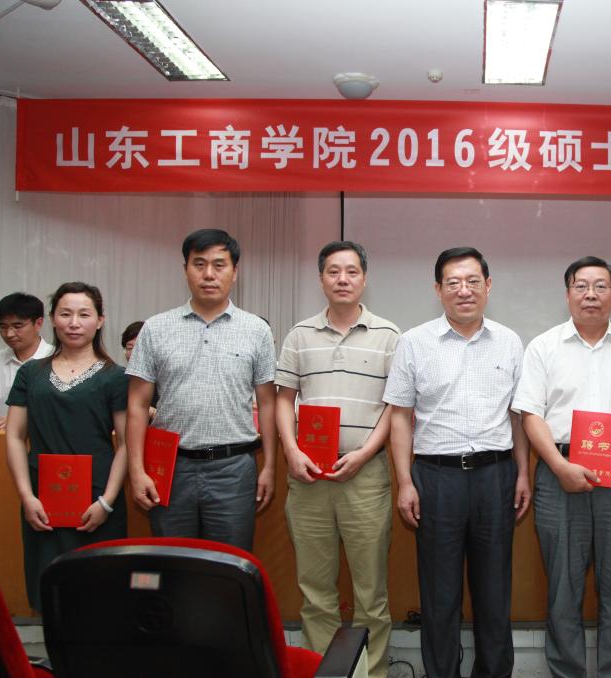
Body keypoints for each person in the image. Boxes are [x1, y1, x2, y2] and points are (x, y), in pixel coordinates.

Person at [383, 247, 530, 678]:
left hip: (495, 476)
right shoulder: (414, 342)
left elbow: (518, 416)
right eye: (453, 282)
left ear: (488, 286)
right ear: (438, 289)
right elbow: (399, 417)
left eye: (472, 281)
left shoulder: (509, 341)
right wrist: (405, 482)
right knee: (439, 594)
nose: (463, 290)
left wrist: (523, 472)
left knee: (494, 591)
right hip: (436, 477)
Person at [513, 255, 611, 678]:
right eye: (581, 286)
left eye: (600, 286)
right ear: (568, 294)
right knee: (563, 588)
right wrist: (559, 466)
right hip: (558, 472)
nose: (590, 295)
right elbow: (531, 415)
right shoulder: (543, 347)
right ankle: (567, 672)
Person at [275, 241, 400, 678]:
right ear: (321, 279)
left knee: (371, 594)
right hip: (308, 476)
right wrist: (291, 451)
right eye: (333, 271)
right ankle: (322, 671)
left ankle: (371, 673)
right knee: (315, 591)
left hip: (365, 476)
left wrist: (366, 453)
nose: (342, 279)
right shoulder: (299, 335)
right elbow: (283, 399)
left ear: (364, 278)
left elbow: (395, 406)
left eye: (351, 271)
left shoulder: (389, 335)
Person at [125, 228, 278, 551]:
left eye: (219, 265)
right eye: (199, 264)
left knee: (230, 564)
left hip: (233, 469)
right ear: (185, 270)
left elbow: (267, 403)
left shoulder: (257, 330)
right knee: (173, 562)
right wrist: (136, 471)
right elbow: (137, 405)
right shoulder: (156, 328)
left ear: (235, 272)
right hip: (171, 468)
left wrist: (270, 467)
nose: (209, 274)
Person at [4, 282, 129, 611]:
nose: (74, 323)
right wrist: (26, 497)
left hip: (98, 498)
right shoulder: (30, 373)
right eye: (65, 314)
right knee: (51, 591)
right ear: (52, 319)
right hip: (42, 500)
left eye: (84, 314)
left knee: (99, 593)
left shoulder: (116, 376)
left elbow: (127, 444)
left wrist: (107, 501)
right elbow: (15, 436)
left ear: (99, 321)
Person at [0, 293, 54, 429]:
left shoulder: (56, 358)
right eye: (3, 327)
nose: (9, 334)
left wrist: (17, 420)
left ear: (38, 323)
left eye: (17, 326)